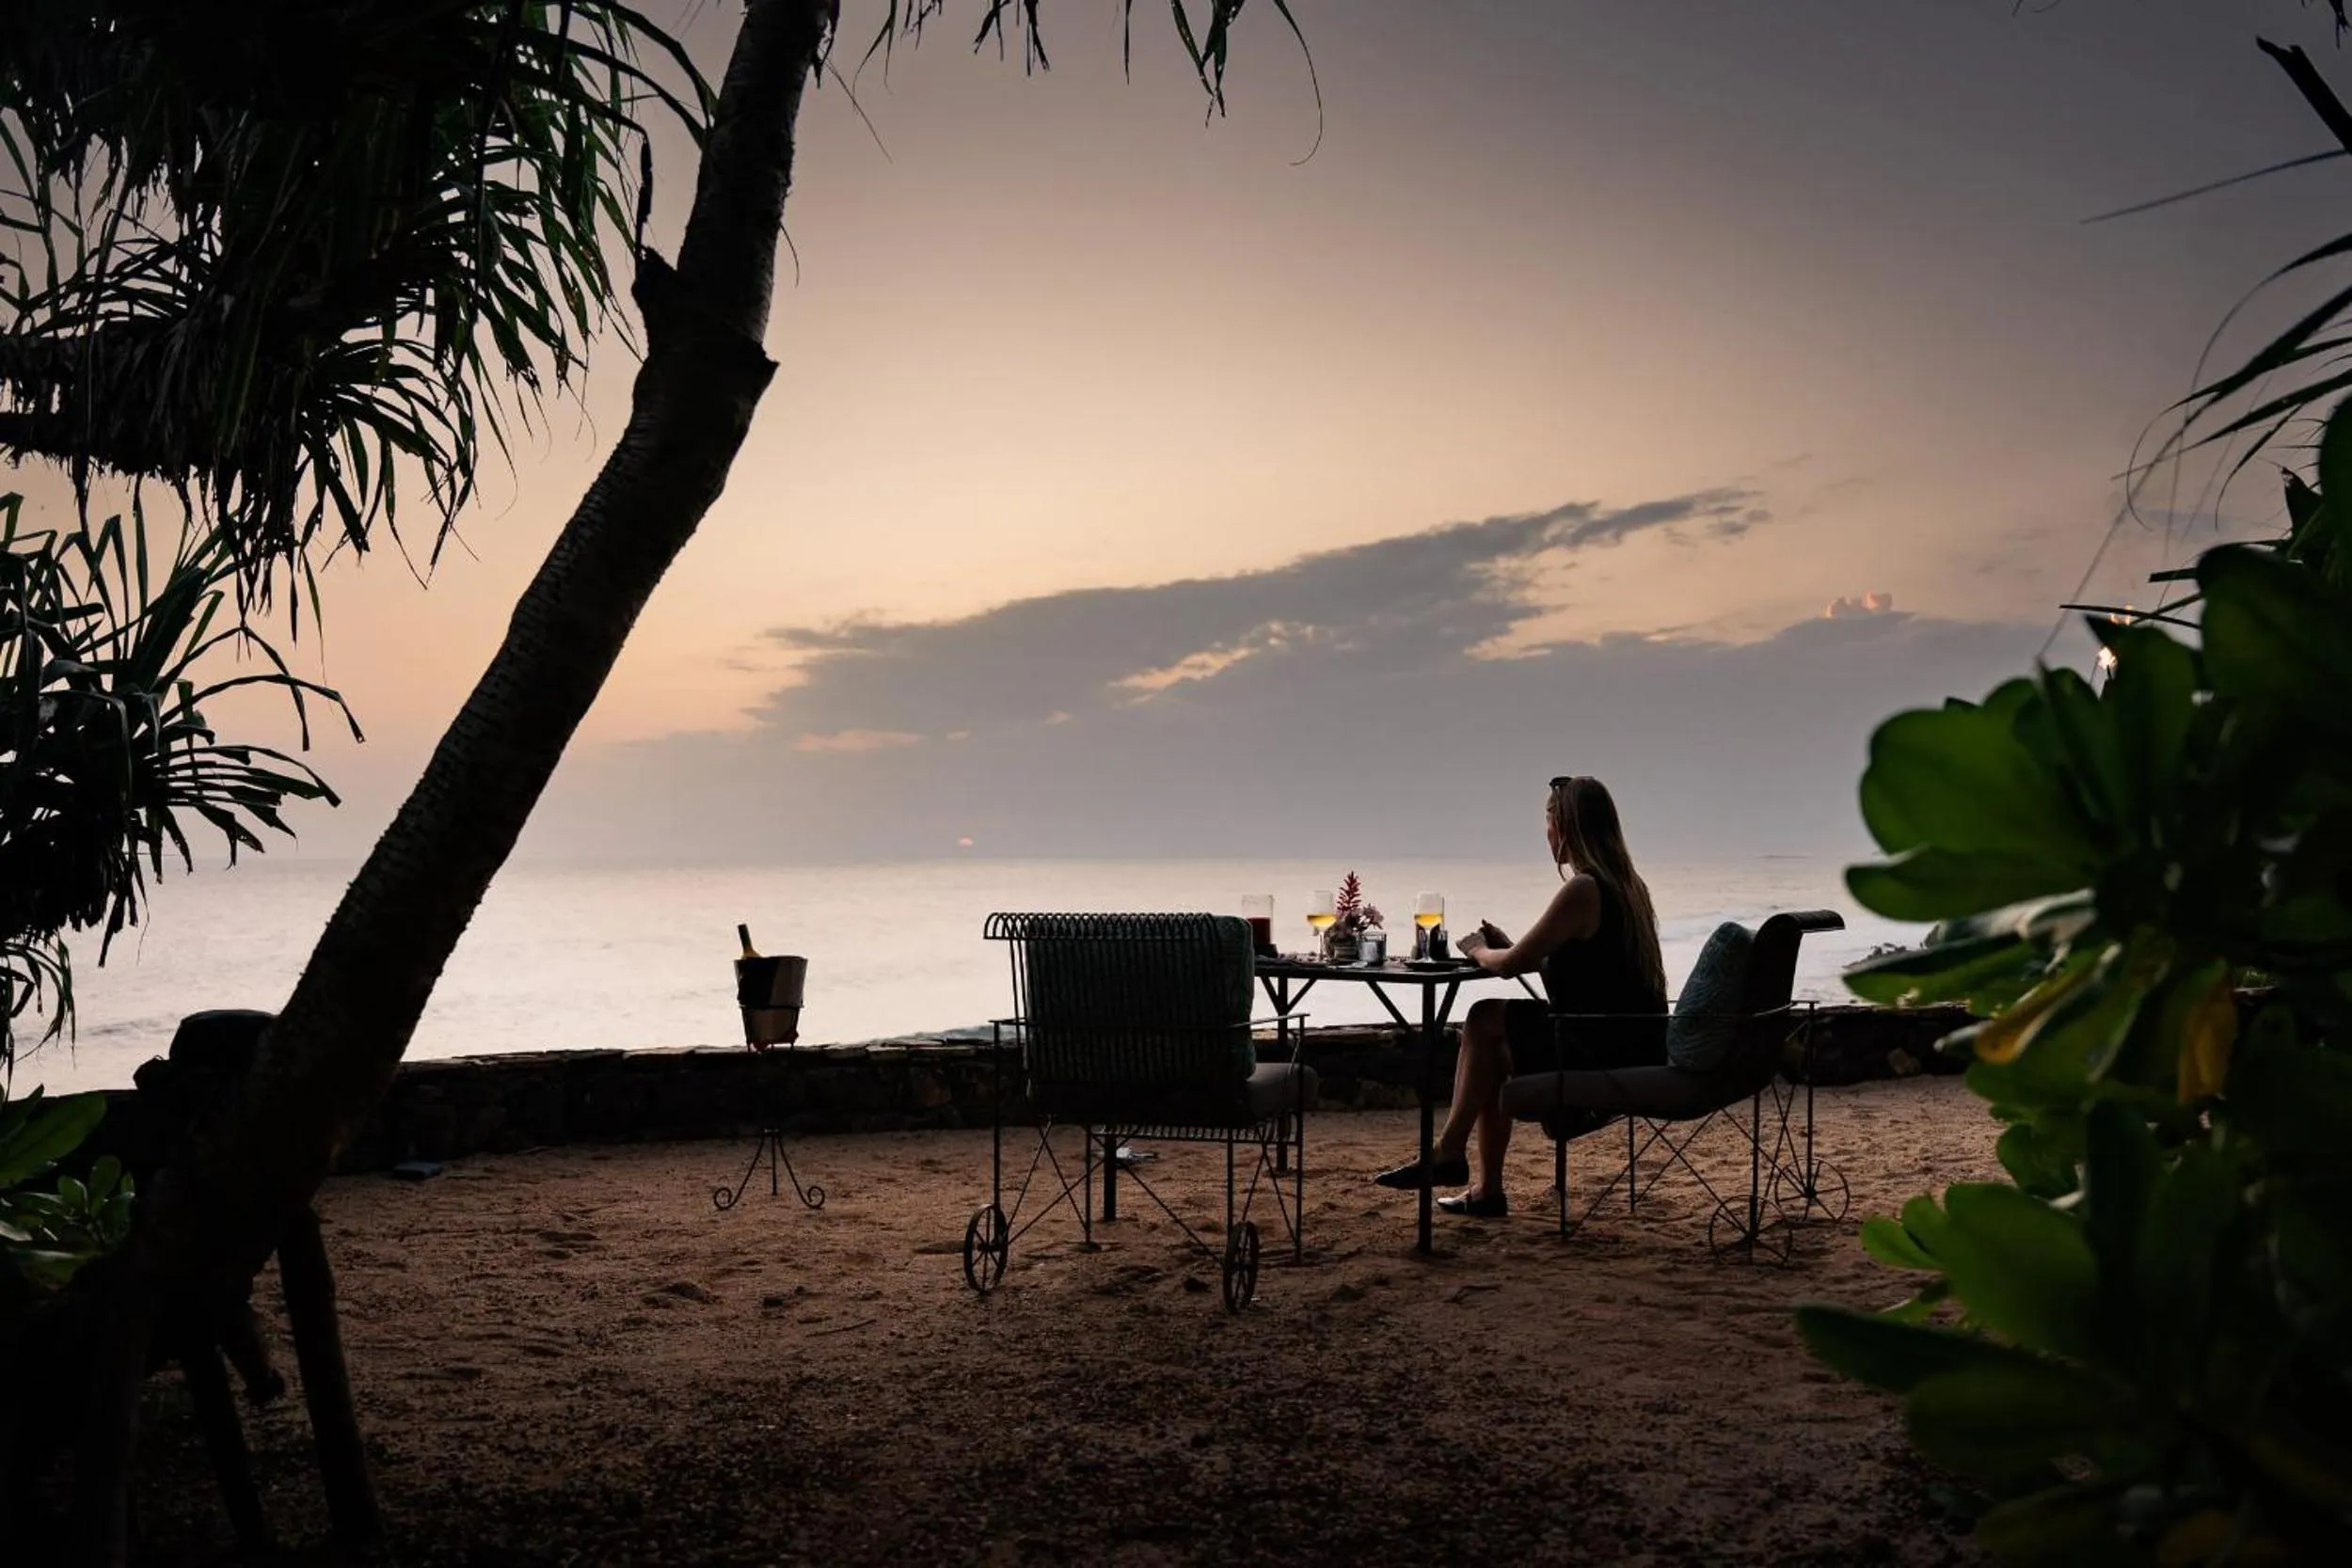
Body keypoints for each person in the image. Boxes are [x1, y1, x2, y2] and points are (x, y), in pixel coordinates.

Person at [1373, 775, 1668, 1216]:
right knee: (1492, 1045)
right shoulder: (1627, 886)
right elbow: (1579, 971)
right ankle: (1484, 1188)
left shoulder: (1584, 889)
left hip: (1601, 1049)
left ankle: (1450, 1153)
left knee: (1483, 1019)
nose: (1547, 835)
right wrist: (1511, 947)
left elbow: (1510, 965)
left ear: (1564, 827)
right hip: (1629, 1040)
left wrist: (1477, 949)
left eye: (1549, 824)